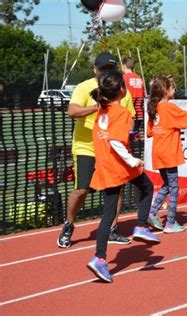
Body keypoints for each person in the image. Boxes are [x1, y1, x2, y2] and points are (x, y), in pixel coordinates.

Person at [57, 52, 136, 248]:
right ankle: (69, 224)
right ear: (95, 70)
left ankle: (112, 229)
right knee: (82, 189)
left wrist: (125, 134)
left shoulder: (121, 88)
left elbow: (131, 116)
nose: (106, 73)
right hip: (86, 147)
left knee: (116, 190)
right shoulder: (84, 87)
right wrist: (98, 107)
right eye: (103, 69)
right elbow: (72, 111)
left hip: (112, 149)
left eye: (111, 69)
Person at [87, 70, 159, 283]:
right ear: (121, 90)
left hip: (105, 164)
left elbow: (109, 137)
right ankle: (140, 225)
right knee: (147, 187)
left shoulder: (102, 109)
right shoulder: (121, 112)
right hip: (118, 165)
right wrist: (132, 160)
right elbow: (115, 141)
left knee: (109, 212)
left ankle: (100, 257)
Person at [146, 76, 187, 233]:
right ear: (165, 90)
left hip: (158, 152)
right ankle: (170, 222)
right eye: (172, 87)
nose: (174, 90)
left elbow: (150, 132)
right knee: (174, 187)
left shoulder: (154, 107)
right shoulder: (168, 107)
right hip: (169, 152)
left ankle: (152, 212)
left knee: (167, 185)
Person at [121, 56, 145, 129]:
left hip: (129, 114)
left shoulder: (123, 78)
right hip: (140, 114)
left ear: (124, 66)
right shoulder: (139, 78)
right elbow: (143, 95)